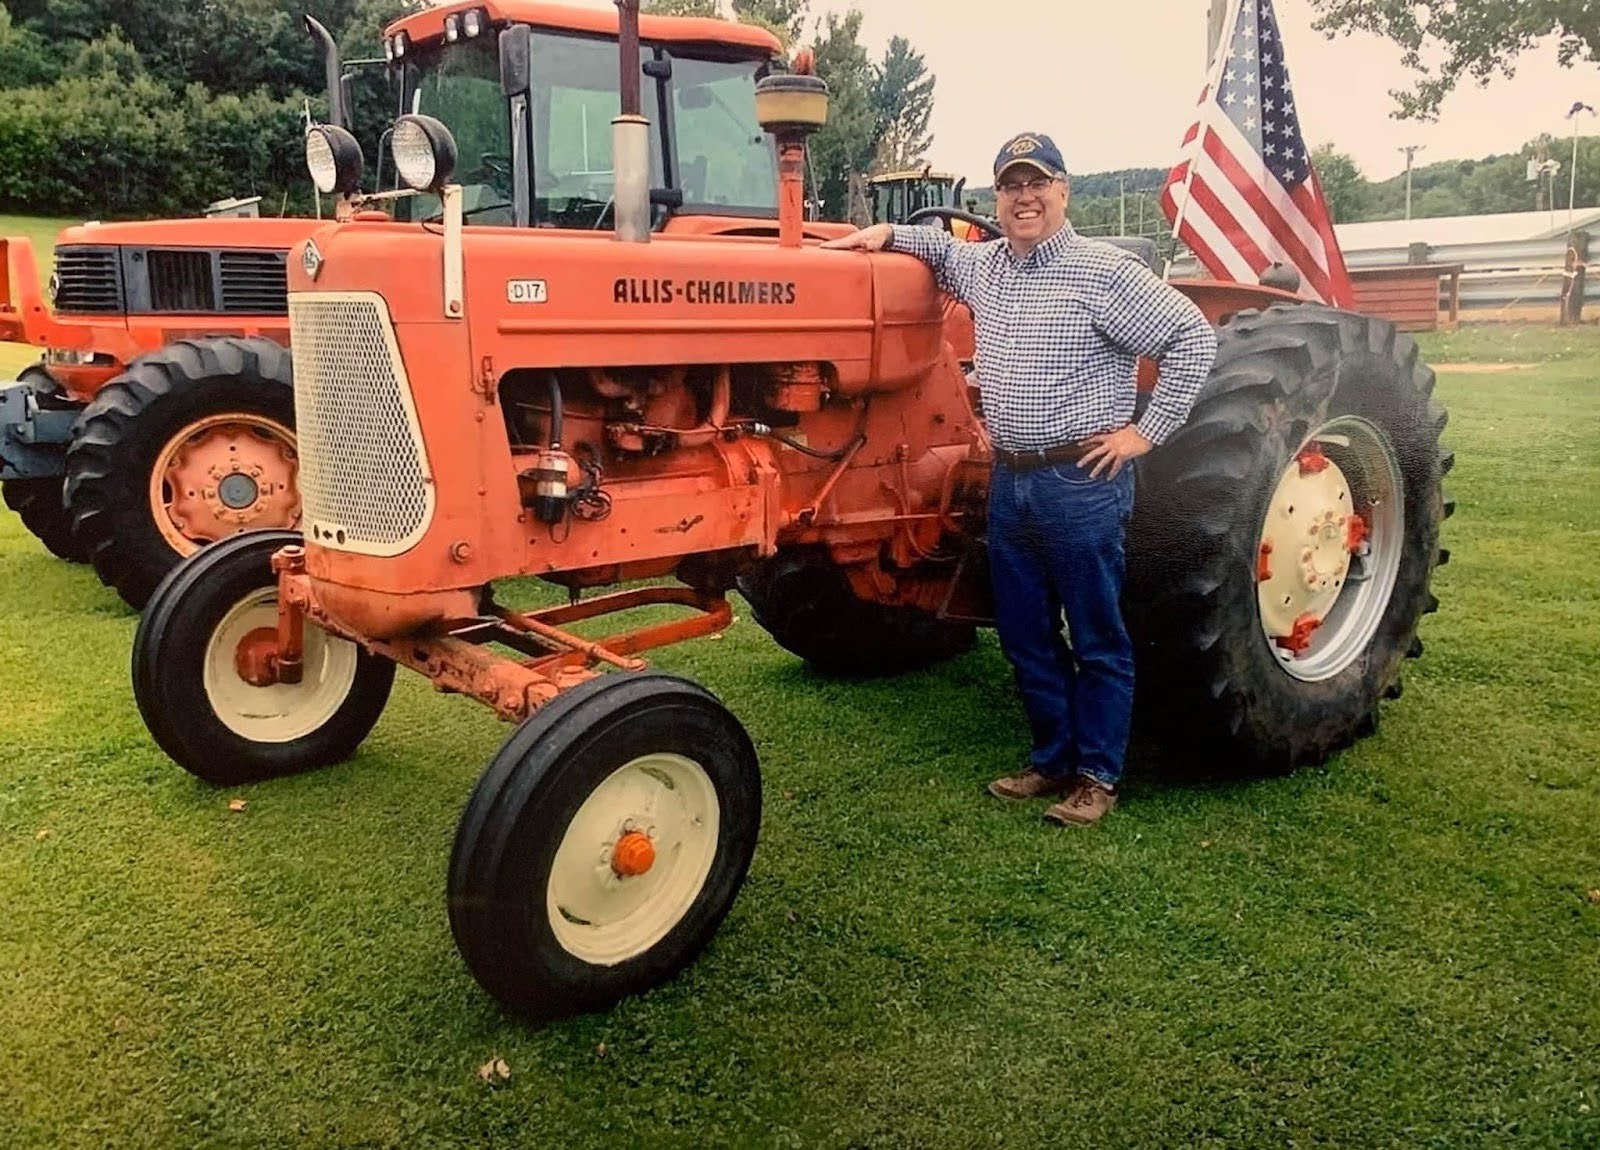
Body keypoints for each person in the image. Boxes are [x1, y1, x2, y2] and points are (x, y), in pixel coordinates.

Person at [821, 132, 1218, 827]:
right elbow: (940, 249)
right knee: (1026, 632)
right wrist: (882, 233)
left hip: (1079, 481)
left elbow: (1193, 338)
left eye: (1038, 184)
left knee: (1096, 633)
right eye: (1011, 185)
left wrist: (1144, 433)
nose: (1024, 197)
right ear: (997, 197)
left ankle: (1097, 775)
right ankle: (1051, 758)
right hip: (1012, 479)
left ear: (1063, 190)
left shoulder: (1104, 272)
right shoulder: (988, 267)